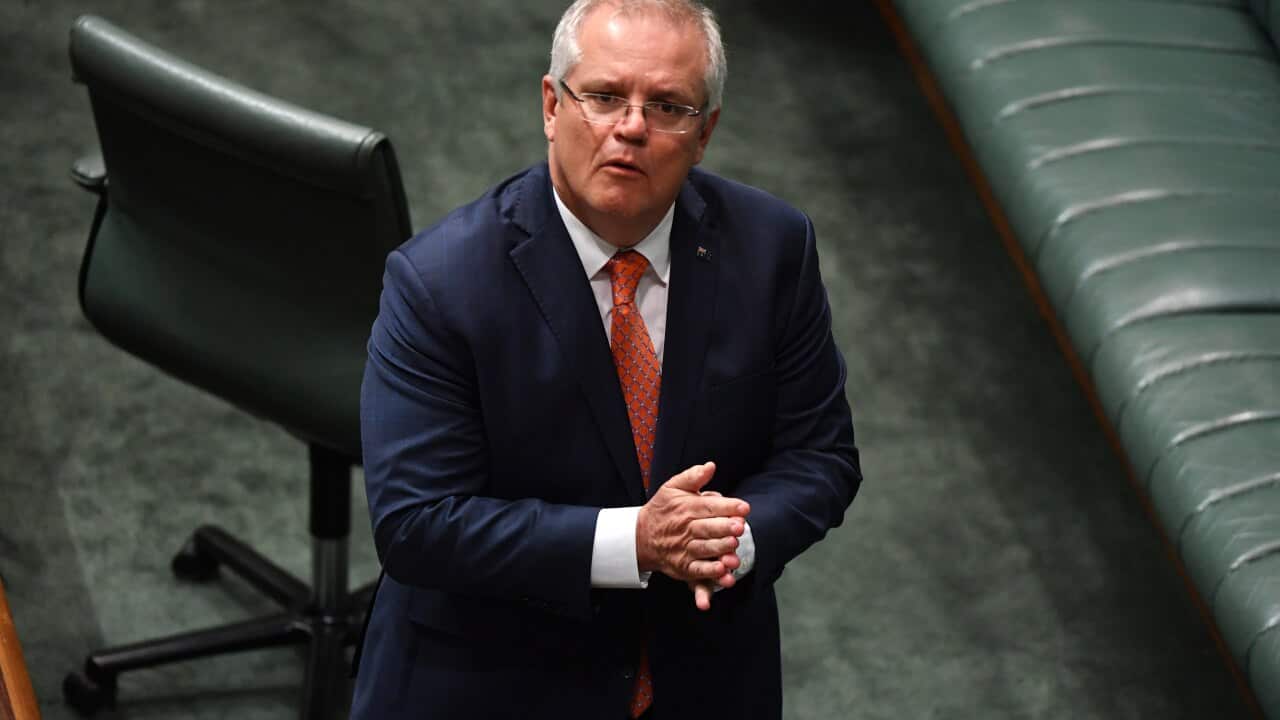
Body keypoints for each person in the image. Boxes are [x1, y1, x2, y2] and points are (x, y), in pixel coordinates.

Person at [351, 1, 861, 717]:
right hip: (493, 682)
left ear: (705, 132)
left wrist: (726, 543)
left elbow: (822, 456)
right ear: (552, 105)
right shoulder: (439, 282)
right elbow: (419, 523)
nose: (631, 127)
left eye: (668, 106)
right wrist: (638, 543)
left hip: (705, 678)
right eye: (604, 96)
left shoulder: (774, 247)